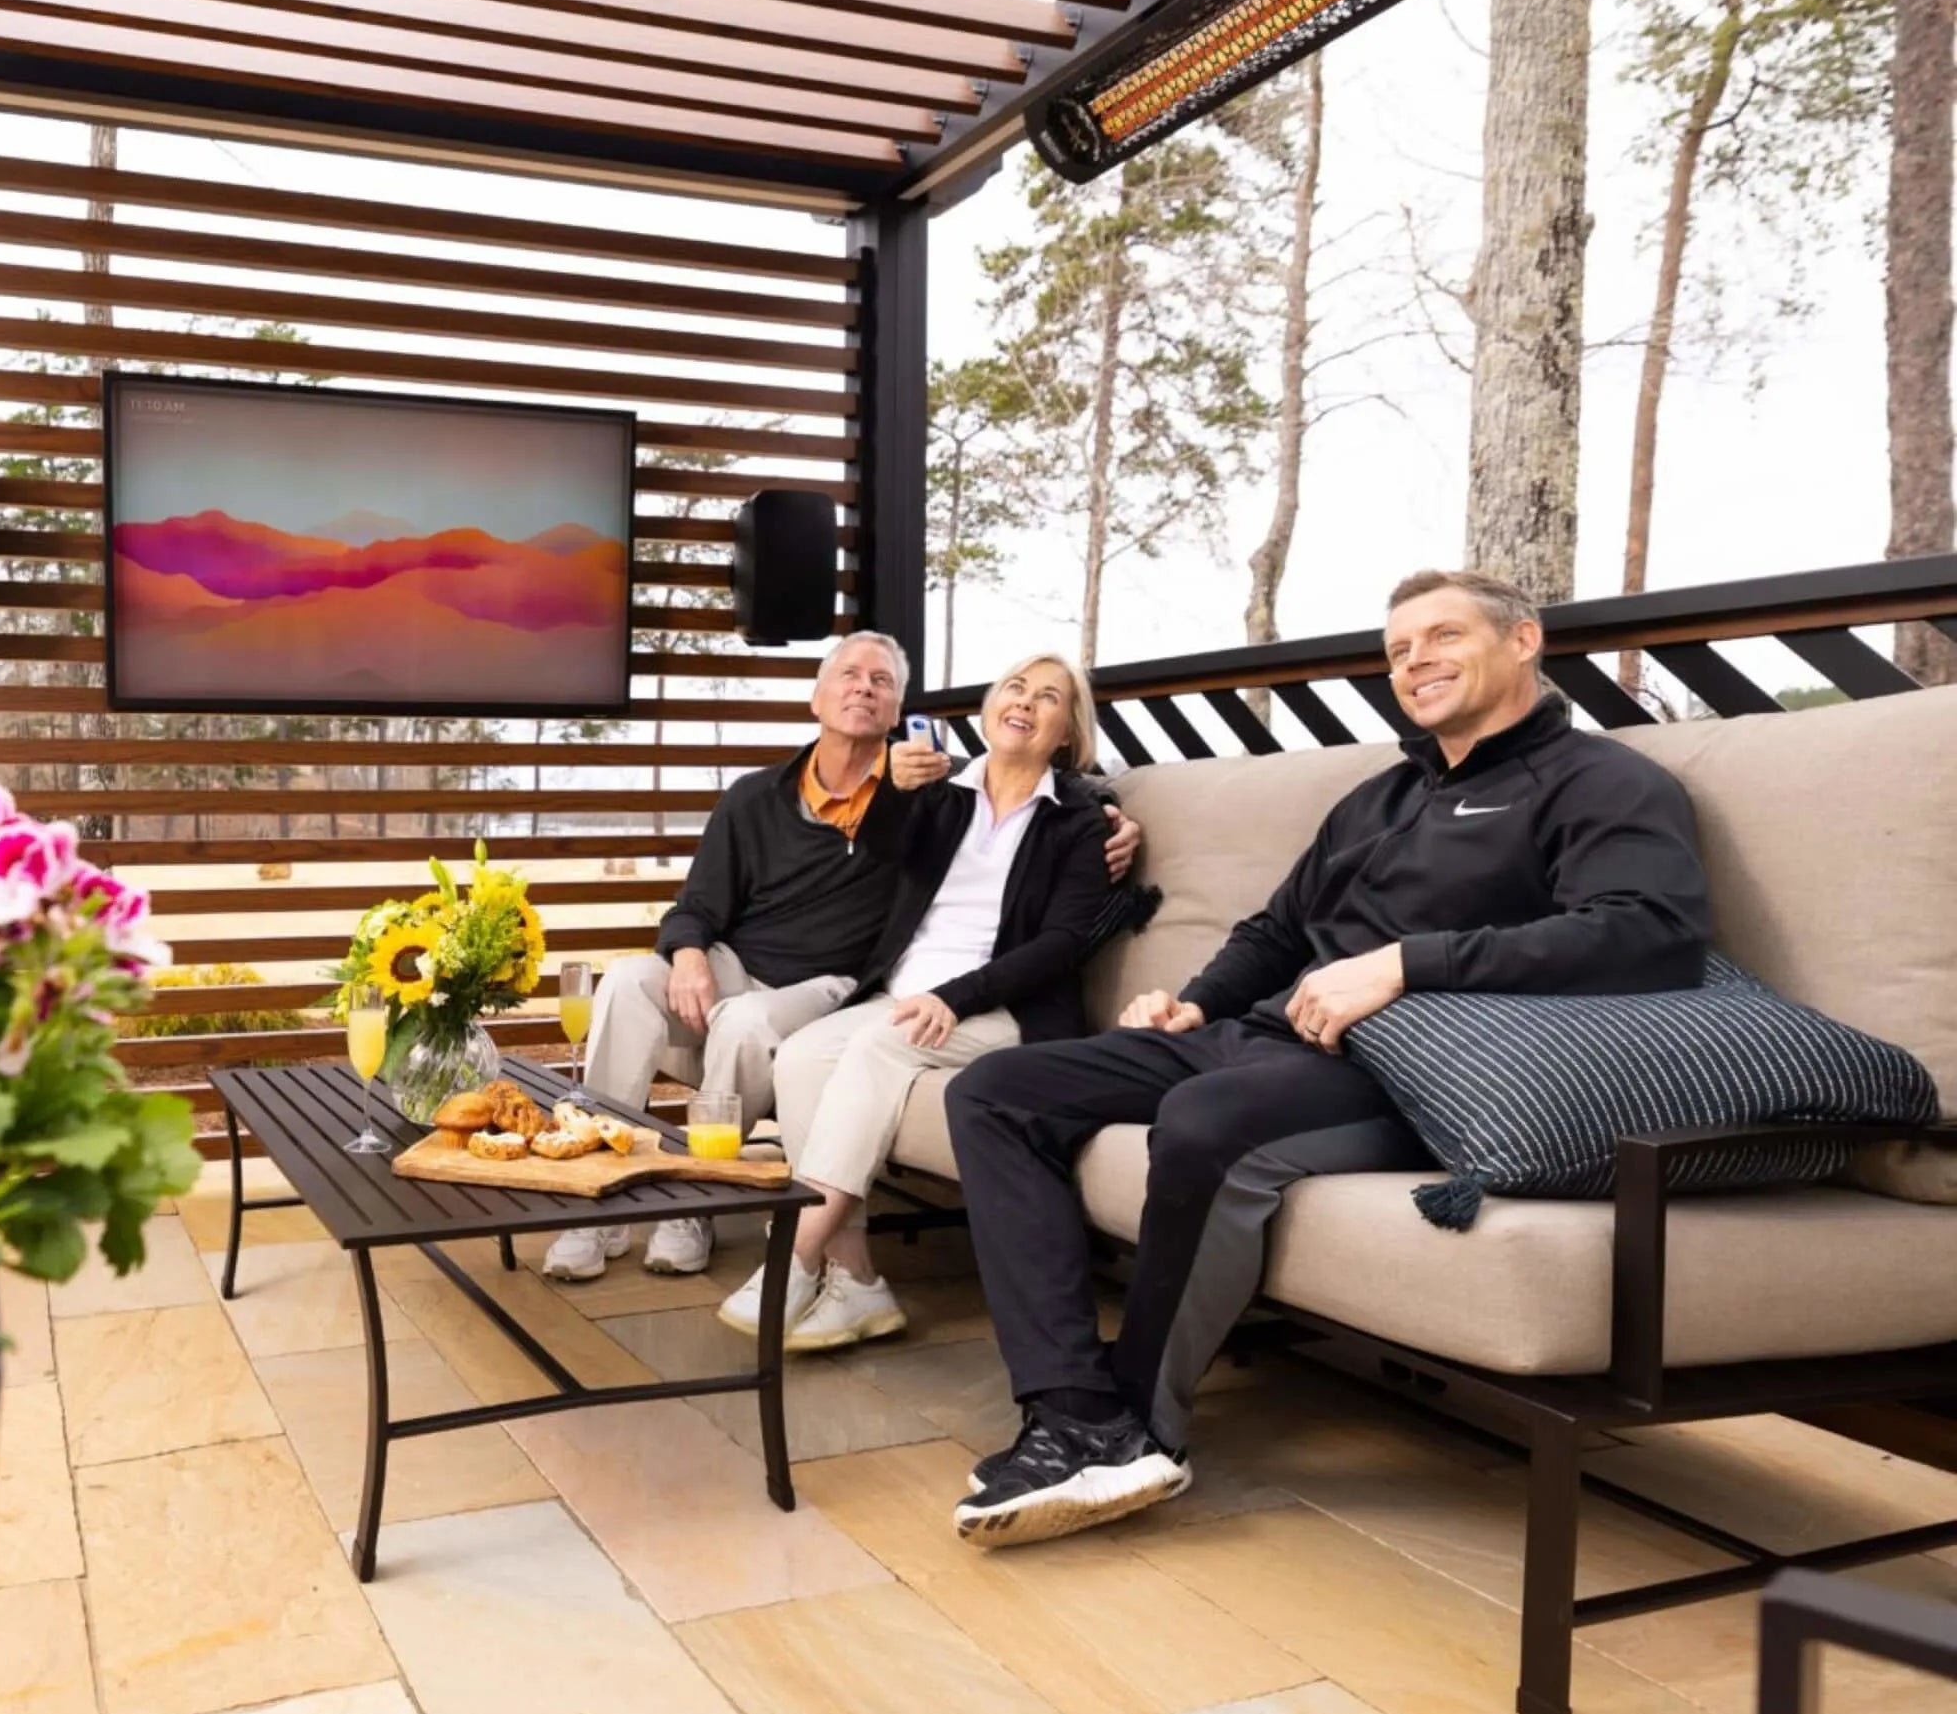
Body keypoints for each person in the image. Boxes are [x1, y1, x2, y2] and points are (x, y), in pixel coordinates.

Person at [944, 569, 1712, 1550]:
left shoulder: (1601, 781)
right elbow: (1275, 927)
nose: (1414, 661)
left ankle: (1138, 1423)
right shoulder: (1378, 797)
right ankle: (1076, 1408)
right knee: (996, 1088)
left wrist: (1403, 964)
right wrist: (1195, 1001)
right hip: (1262, 1032)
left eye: (1441, 636)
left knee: (1209, 1120)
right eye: (1397, 649)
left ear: (1523, 640)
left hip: (1423, 1066)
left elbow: (1649, 934)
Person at [544, 632, 1140, 1282]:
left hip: (833, 985)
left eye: (881, 682)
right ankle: (586, 1203)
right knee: (630, 980)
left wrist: (1111, 810)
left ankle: (696, 1202)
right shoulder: (755, 798)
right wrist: (688, 954)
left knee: (746, 1024)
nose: (863, 687)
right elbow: (696, 905)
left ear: (897, 714)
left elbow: (1035, 787)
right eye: (849, 675)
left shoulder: (927, 795)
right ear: (817, 699)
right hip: (738, 966)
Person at [716, 653, 1114, 1350]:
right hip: (901, 997)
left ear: (1067, 732)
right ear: (990, 708)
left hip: (1002, 1011)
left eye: (1048, 697)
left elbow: (1063, 943)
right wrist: (896, 791)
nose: (1025, 701)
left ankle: (797, 1253)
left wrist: (956, 998)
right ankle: (858, 1279)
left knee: (877, 1047)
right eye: (1014, 686)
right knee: (804, 1055)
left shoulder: (1077, 820)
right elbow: (877, 851)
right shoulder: (942, 793)